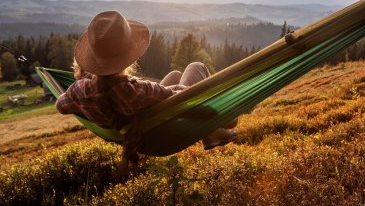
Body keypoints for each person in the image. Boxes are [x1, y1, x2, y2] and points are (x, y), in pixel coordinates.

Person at [55, 10, 238, 152]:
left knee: (175, 74)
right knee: (196, 67)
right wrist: (223, 113)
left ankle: (211, 133)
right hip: (158, 129)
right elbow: (181, 100)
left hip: (135, 126)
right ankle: (210, 132)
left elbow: (60, 106)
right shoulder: (138, 91)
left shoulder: (79, 91)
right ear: (128, 56)